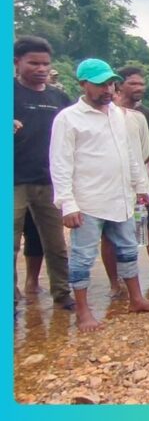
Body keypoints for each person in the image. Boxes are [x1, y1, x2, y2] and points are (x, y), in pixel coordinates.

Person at [50, 58, 149, 331]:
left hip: (122, 197)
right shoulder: (68, 118)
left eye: (111, 83)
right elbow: (60, 163)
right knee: (82, 257)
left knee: (127, 249)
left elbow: (131, 156)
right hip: (87, 201)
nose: (108, 89)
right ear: (83, 84)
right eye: (100, 84)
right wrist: (67, 204)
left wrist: (141, 189)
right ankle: (83, 311)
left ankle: (136, 299)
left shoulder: (118, 115)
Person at [13, 36, 74, 310]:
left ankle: (61, 294)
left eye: (45, 64)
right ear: (17, 63)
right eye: (34, 63)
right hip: (13, 181)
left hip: (50, 181)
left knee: (56, 244)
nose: (41, 69)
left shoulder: (58, 97)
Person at [100, 66, 149, 295]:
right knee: (110, 236)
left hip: (142, 184)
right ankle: (115, 283)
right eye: (133, 83)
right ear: (119, 85)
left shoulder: (146, 115)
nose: (139, 88)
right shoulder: (106, 112)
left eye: (142, 84)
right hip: (111, 185)